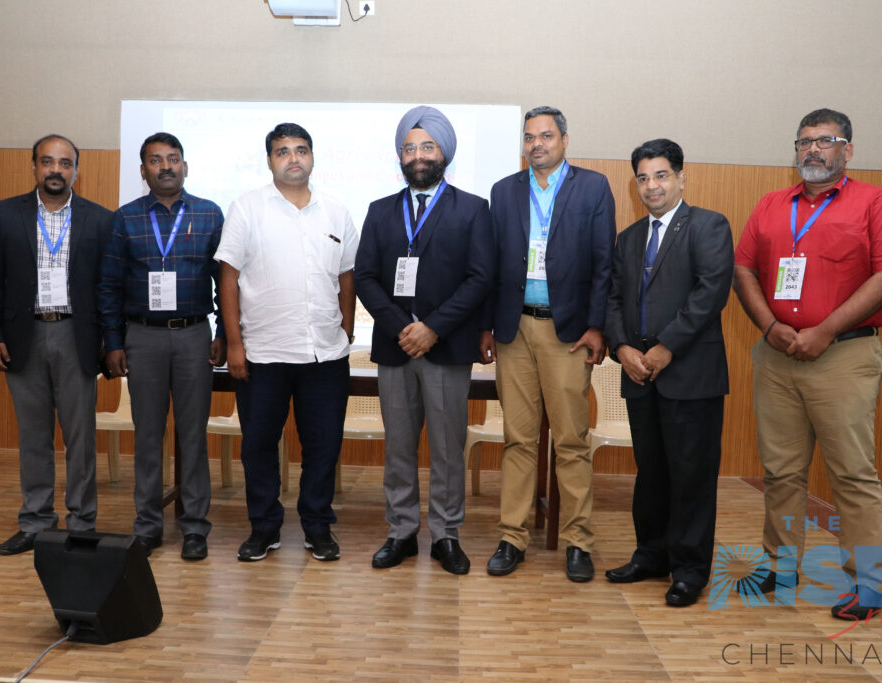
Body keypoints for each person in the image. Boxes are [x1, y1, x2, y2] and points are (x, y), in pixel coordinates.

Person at [732, 108, 882, 620]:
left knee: (852, 475)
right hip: (777, 356)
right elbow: (743, 269)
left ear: (847, 150)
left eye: (825, 140)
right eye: (804, 142)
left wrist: (825, 330)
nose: (813, 149)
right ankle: (781, 568)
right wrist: (770, 327)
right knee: (780, 471)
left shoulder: (874, 202)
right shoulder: (772, 205)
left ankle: (868, 585)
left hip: (844, 356)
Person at [355, 106, 495, 575]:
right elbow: (365, 277)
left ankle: (446, 535)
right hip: (395, 348)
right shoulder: (379, 211)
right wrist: (403, 327)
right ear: (400, 156)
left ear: (444, 154)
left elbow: (480, 278)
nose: (418, 156)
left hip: (447, 347)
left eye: (427, 147)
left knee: (447, 448)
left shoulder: (472, 209)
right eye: (409, 148)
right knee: (398, 446)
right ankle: (401, 532)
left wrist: (433, 327)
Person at [481, 106, 616, 582]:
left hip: (569, 333)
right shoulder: (504, 191)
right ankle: (512, 537)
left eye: (546, 136)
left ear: (564, 140)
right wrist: (487, 325)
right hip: (514, 330)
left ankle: (578, 542)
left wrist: (597, 326)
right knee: (518, 439)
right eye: (529, 137)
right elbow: (491, 264)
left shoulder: (593, 187)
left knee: (571, 440)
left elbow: (604, 262)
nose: (536, 144)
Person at [216, 123, 356, 564]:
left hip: (325, 354)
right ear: (270, 160)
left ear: (312, 157)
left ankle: (317, 527)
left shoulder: (336, 211)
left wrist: (347, 329)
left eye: (300, 150)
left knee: (323, 447)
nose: (293, 158)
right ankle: (264, 528)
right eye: (283, 151)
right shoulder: (247, 208)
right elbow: (228, 279)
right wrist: (234, 344)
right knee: (258, 446)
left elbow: (347, 276)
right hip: (263, 353)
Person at [603, 139, 733, 607]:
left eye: (660, 175)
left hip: (690, 374)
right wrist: (622, 347)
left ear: (681, 177)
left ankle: (690, 571)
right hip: (639, 375)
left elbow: (709, 293)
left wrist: (665, 348)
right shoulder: (629, 238)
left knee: (691, 476)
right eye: (643, 178)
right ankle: (651, 555)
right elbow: (613, 298)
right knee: (651, 473)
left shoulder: (709, 226)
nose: (651, 186)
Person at [0, 134, 113, 555]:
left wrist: (111, 341)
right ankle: (35, 522)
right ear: (34, 166)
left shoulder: (100, 219)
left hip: (76, 335)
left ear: (76, 170)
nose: (56, 170)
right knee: (34, 435)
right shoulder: (4, 214)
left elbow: (107, 287)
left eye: (65, 163)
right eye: (48, 162)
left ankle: (82, 523)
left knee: (80, 436)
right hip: (24, 336)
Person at [98, 132, 225, 561]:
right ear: (143, 170)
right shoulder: (125, 218)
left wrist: (223, 334)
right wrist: (113, 342)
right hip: (143, 337)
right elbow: (109, 285)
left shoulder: (209, 214)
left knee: (193, 435)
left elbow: (226, 282)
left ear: (185, 166)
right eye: (156, 160)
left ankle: (195, 528)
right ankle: (148, 526)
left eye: (173, 159)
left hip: (193, 335)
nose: (166, 166)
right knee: (148, 435)